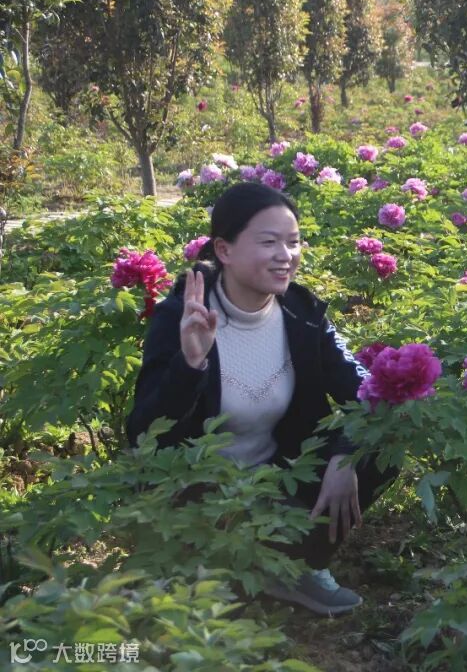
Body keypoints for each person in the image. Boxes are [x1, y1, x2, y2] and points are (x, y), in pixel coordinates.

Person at [125, 182, 397, 615]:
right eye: (269, 242)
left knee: (380, 449)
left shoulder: (303, 314)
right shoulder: (182, 317)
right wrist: (189, 365)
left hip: (278, 482)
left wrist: (346, 455)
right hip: (196, 491)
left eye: (293, 242)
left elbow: (366, 393)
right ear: (224, 250)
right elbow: (145, 434)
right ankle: (191, 564)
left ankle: (301, 567)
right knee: (197, 610)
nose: (285, 255)